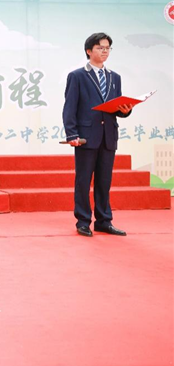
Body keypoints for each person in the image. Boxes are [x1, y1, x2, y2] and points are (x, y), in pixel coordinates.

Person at [63, 33, 133, 237]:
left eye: (108, 48)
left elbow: (116, 108)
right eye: (100, 47)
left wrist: (126, 111)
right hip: (85, 136)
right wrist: (72, 134)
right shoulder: (77, 76)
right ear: (89, 50)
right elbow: (69, 108)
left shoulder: (114, 77)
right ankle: (83, 221)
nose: (105, 51)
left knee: (104, 182)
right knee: (83, 181)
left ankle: (104, 221)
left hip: (108, 136)